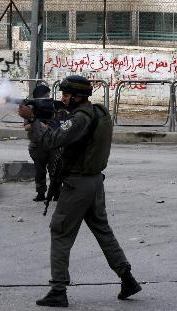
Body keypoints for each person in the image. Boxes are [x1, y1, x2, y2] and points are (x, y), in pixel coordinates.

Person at [19, 75, 141, 307]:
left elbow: (51, 140)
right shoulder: (97, 112)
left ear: (78, 96)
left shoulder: (80, 118)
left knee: (61, 232)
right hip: (94, 182)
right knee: (102, 230)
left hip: (78, 184)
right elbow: (69, 135)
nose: (63, 99)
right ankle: (127, 279)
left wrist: (33, 119)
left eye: (67, 95)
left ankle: (58, 289)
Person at [27, 84, 60, 202]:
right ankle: (40, 193)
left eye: (48, 96)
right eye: (45, 96)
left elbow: (55, 126)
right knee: (39, 171)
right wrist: (32, 119)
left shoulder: (53, 108)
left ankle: (56, 193)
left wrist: (37, 122)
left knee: (54, 170)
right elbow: (26, 126)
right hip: (37, 144)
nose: (48, 98)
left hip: (52, 144)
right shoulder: (31, 110)